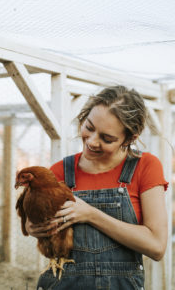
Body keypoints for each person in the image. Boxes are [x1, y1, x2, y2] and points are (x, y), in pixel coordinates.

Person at [26, 85, 168, 290]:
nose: (92, 141)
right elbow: (34, 224)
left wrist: (91, 214)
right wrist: (34, 227)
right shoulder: (59, 171)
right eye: (89, 127)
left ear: (130, 138)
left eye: (107, 138)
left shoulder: (145, 166)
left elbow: (156, 247)